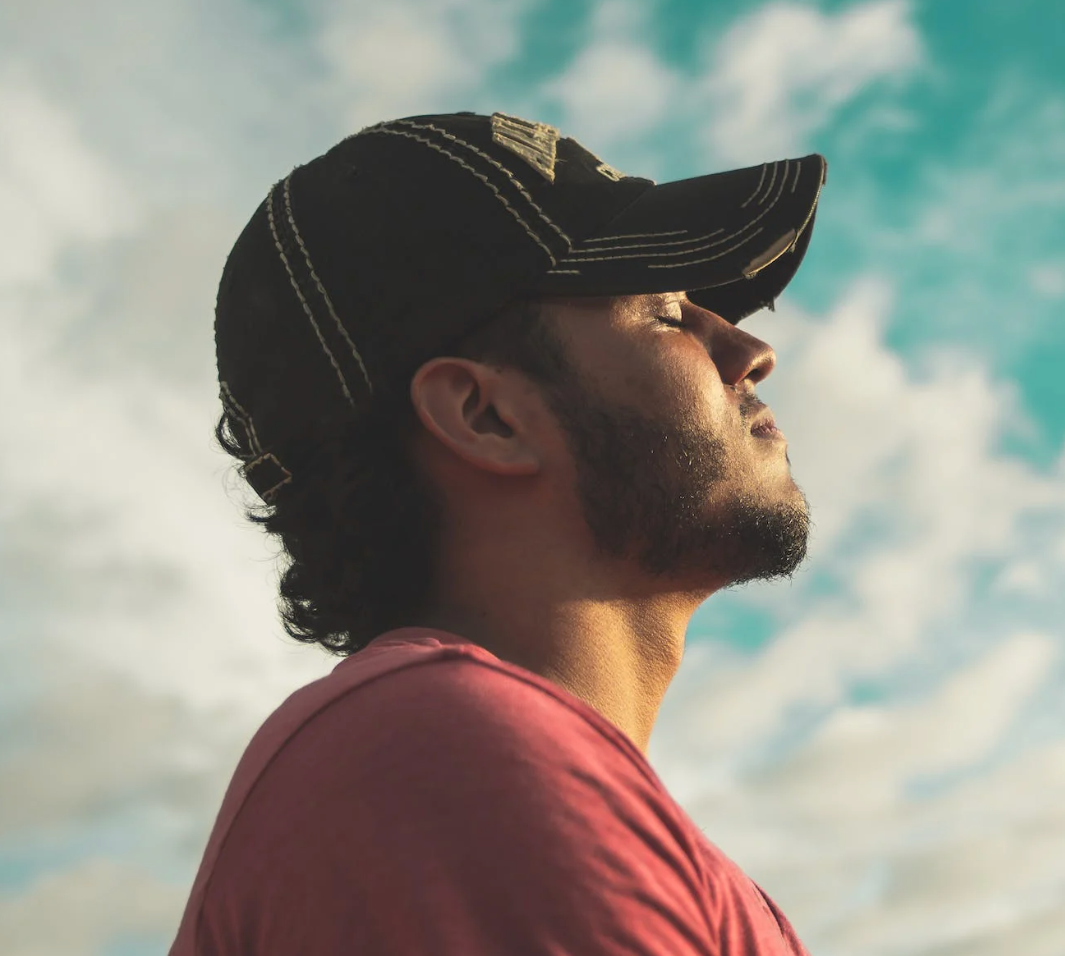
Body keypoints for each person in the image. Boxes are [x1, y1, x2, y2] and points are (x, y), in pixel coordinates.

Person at [169, 111, 824, 955]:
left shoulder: (476, 769)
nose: (748, 349)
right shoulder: (444, 756)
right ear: (486, 416)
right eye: (665, 313)